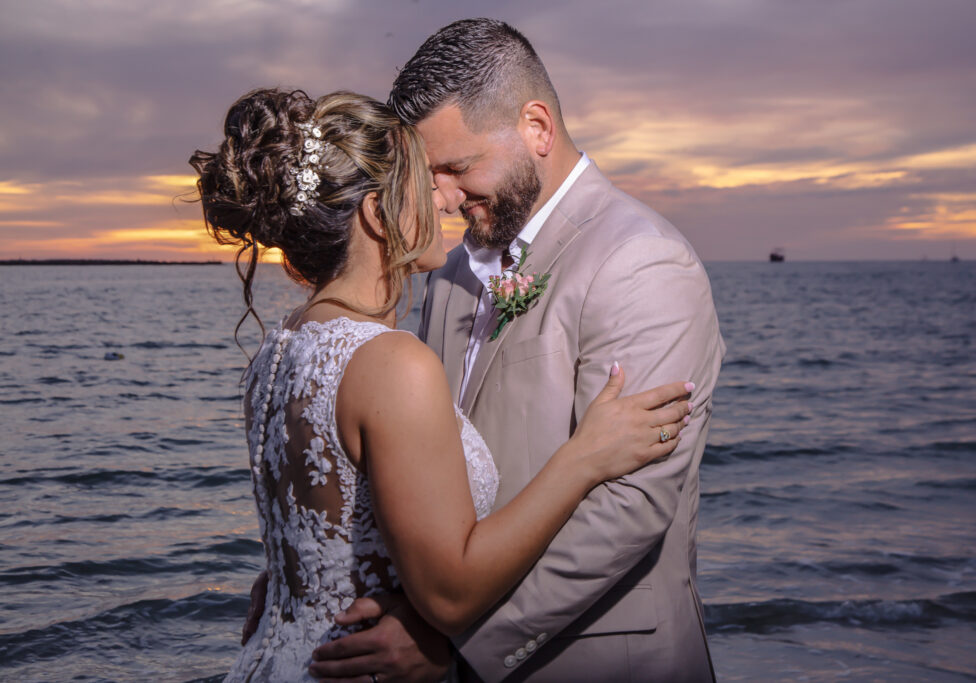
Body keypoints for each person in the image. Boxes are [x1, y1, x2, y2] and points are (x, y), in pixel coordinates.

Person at [191, 89, 693, 682]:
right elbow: (450, 597)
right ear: (377, 214)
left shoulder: (277, 354)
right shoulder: (390, 362)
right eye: (424, 184)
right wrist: (583, 458)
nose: (447, 197)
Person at [307, 18, 725, 682]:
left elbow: (630, 506)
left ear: (536, 128)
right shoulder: (449, 274)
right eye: (428, 174)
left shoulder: (641, 260)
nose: (442, 196)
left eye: (456, 167)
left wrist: (456, 641)